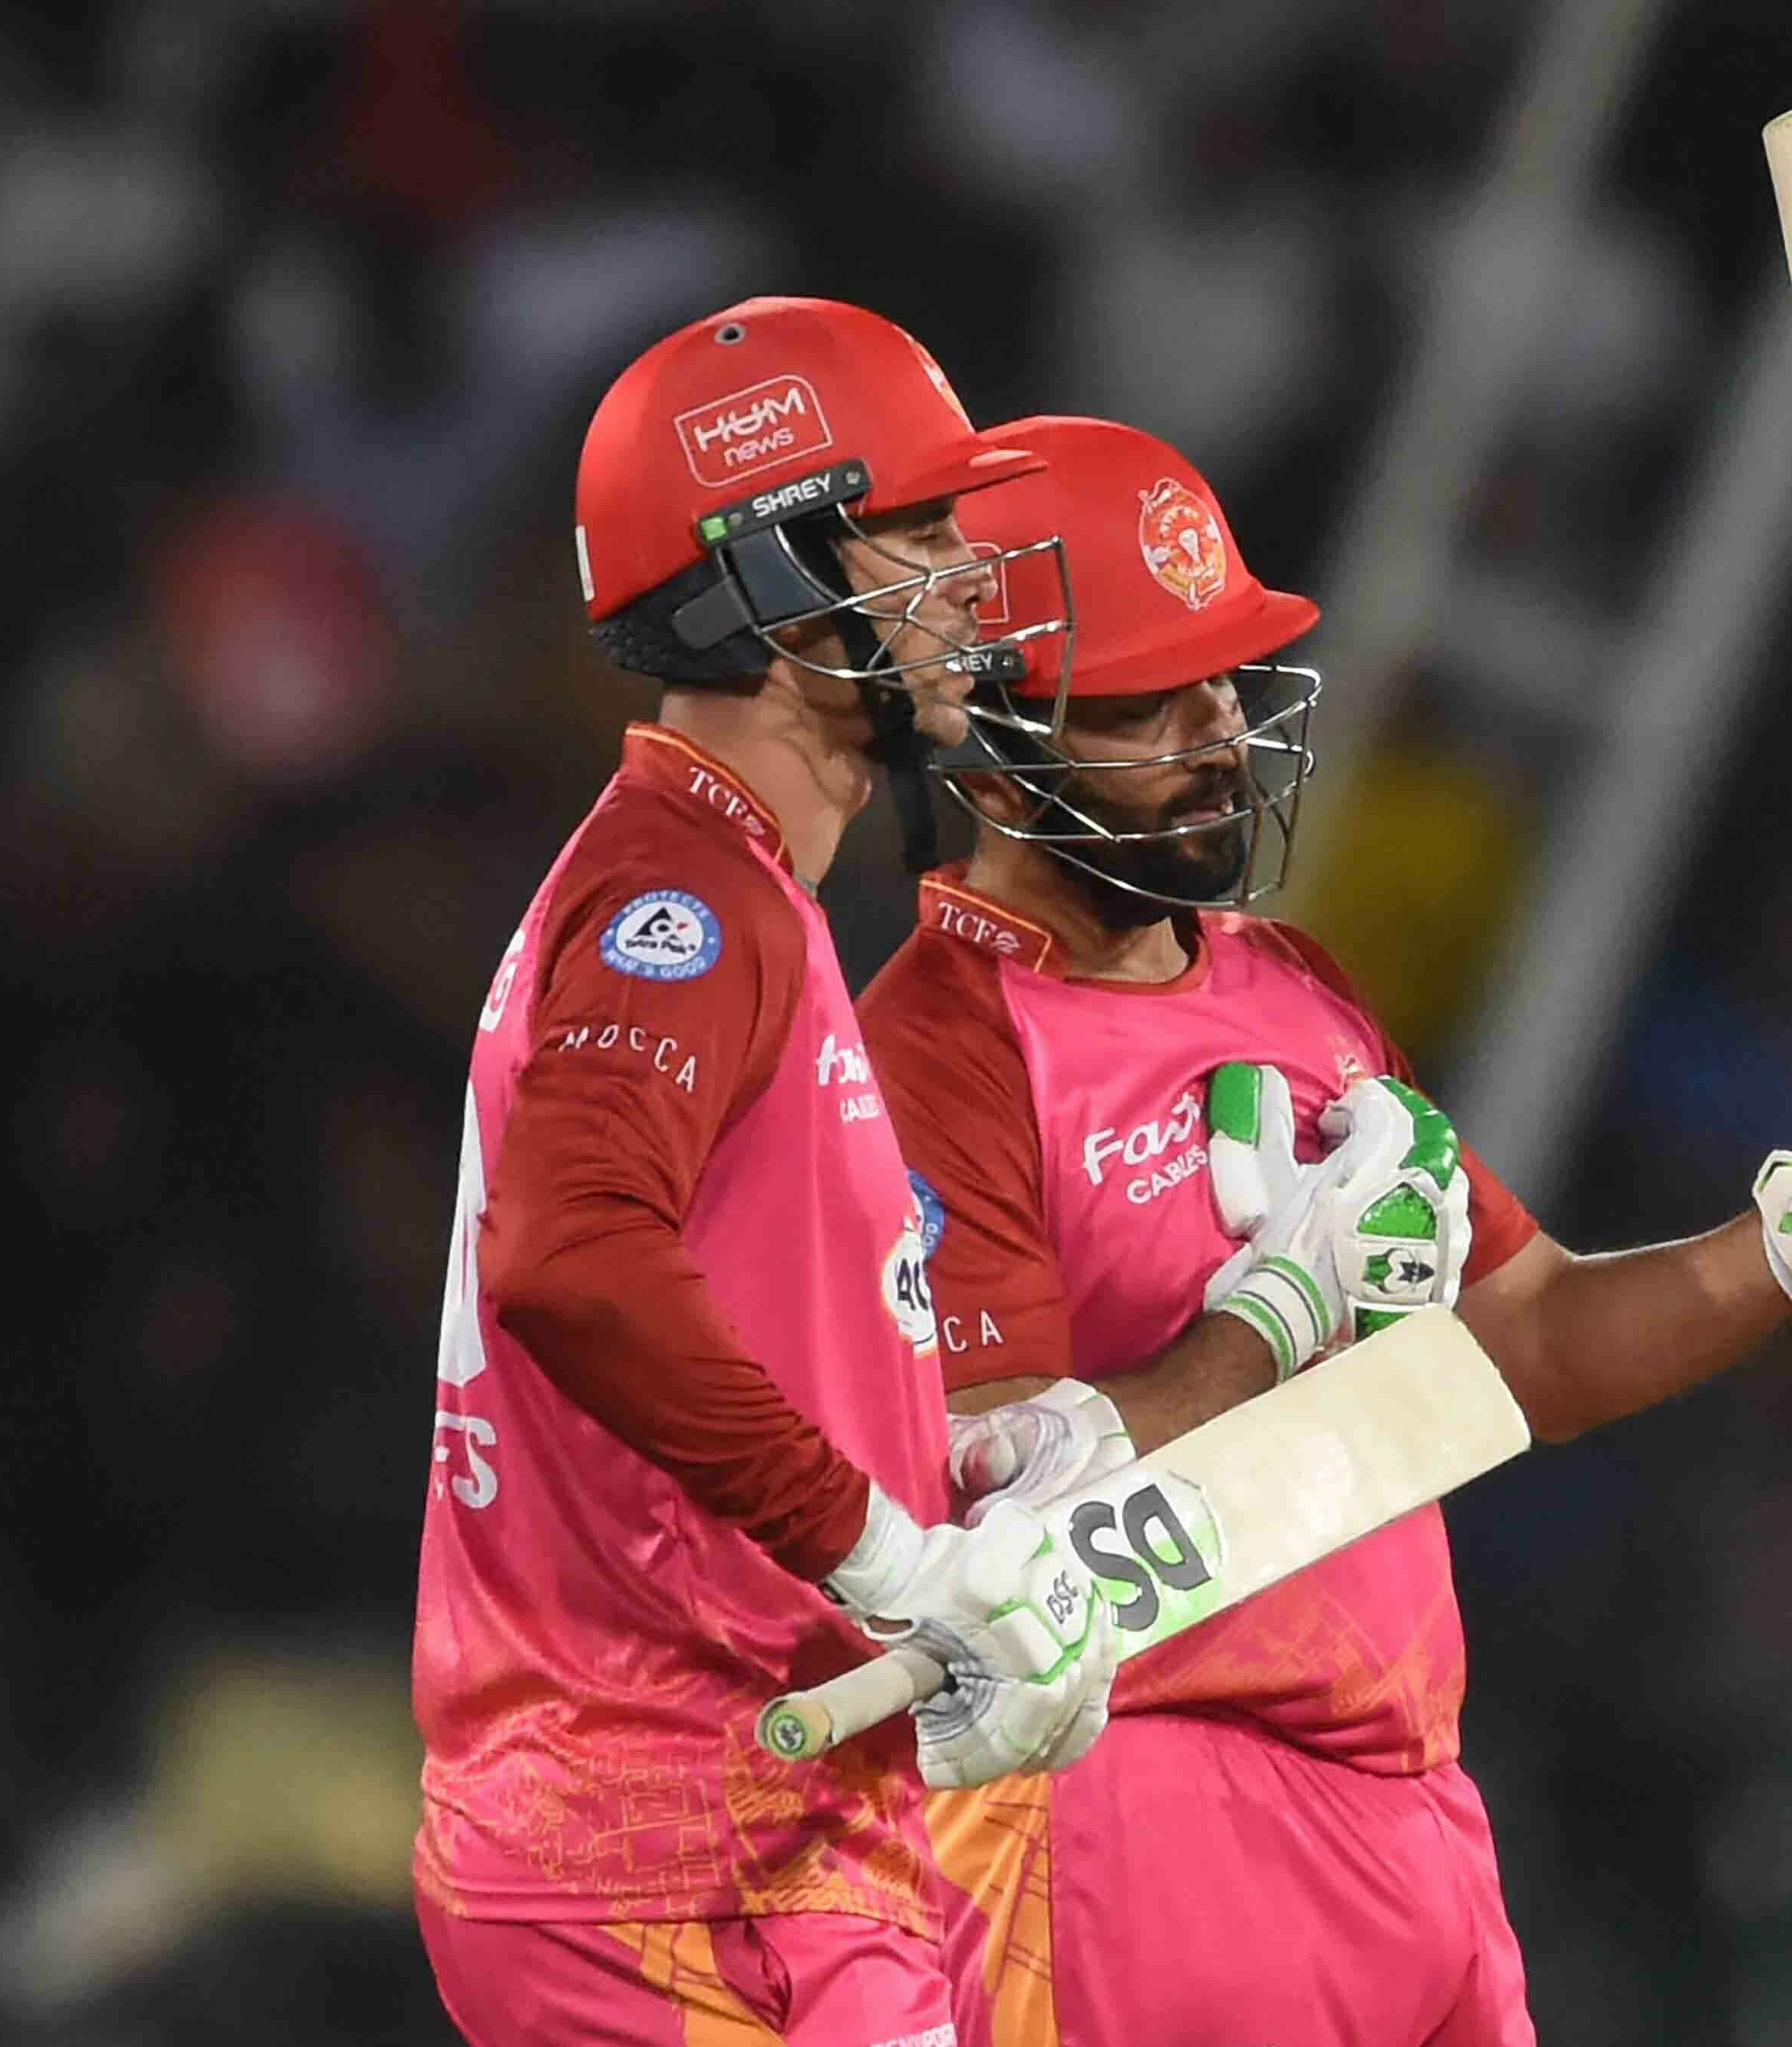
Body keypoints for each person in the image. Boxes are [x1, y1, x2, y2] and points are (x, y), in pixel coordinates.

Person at [858, 414, 1792, 2045]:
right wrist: (1274, 1323)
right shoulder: (935, 1046)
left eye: (1226, 673)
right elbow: (975, 1522)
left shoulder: (1290, 985)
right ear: (993, 743)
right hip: (1136, 1816)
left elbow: (1531, 1345)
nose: (1222, 729)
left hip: (1412, 1808)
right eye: (1156, 694)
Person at [411, 303, 1126, 2047]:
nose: (970, 576)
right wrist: (889, 1550)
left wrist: (945, 1448)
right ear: (767, 579)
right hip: (668, 1839)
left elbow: (712, 1319)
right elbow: (571, 1261)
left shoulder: (737, 892)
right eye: (920, 532)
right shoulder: (690, 903)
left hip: (745, 1821)